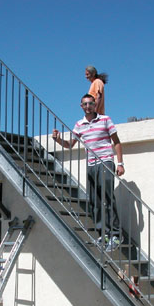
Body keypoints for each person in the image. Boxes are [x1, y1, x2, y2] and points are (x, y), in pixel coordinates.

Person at [52, 94, 124, 251]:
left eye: (90, 103)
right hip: (91, 164)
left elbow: (116, 142)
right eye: (84, 104)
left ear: (94, 104)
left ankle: (116, 235)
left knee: (107, 197)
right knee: (95, 200)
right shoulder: (79, 124)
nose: (88, 106)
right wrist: (57, 139)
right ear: (81, 106)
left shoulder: (105, 119)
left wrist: (120, 163)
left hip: (105, 161)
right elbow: (70, 144)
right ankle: (103, 233)